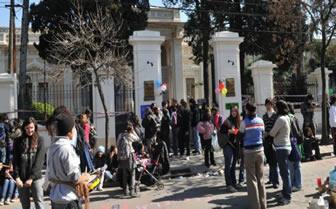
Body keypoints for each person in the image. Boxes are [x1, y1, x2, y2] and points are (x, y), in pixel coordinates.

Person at [47, 113, 90, 209]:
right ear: (69, 132)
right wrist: (85, 177)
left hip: (55, 197)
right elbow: (74, 175)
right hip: (68, 198)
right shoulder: (67, 148)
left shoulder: (51, 148)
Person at [13, 117, 46, 209]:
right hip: (21, 179)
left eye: (31, 127)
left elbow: (39, 162)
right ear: (24, 128)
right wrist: (17, 177)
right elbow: (15, 160)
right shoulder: (18, 141)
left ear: (35, 127)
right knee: (25, 205)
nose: (29, 130)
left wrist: (31, 178)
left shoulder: (40, 140)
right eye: (27, 128)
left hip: (36, 178)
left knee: (39, 204)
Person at [239, 102, 266, 209]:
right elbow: (262, 134)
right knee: (261, 178)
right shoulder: (260, 121)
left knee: (251, 179)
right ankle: (263, 204)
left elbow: (240, 136)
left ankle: (255, 206)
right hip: (260, 151)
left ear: (247, 110)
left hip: (249, 152)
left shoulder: (244, 122)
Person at [269, 100, 292, 205]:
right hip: (286, 146)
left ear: (278, 108)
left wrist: (268, 134)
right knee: (285, 172)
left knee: (284, 173)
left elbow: (272, 133)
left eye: (275, 107)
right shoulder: (287, 117)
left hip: (281, 148)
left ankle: (287, 196)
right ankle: (284, 192)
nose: (274, 109)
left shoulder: (280, 119)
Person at [220, 107, 240, 193]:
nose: (234, 113)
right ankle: (229, 184)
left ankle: (234, 183)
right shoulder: (227, 121)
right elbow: (222, 130)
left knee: (233, 166)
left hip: (236, 145)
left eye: (235, 111)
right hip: (228, 145)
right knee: (228, 164)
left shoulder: (239, 121)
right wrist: (229, 131)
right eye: (232, 111)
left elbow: (240, 131)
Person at [117, 122, 140, 197]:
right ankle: (132, 191)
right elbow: (137, 138)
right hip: (129, 156)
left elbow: (117, 144)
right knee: (132, 173)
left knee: (125, 174)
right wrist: (133, 130)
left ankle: (125, 190)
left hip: (122, 157)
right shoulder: (129, 135)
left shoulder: (120, 135)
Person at [262, 98, 279, 189]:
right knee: (269, 161)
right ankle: (271, 178)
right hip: (266, 140)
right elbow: (263, 127)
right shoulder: (264, 116)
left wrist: (270, 133)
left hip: (274, 140)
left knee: (274, 161)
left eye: (269, 104)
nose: (268, 106)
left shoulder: (276, 115)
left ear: (272, 105)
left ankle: (275, 181)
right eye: (267, 104)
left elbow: (276, 128)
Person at [288, 104, 303, 192]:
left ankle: (294, 184)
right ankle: (298, 184)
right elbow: (298, 132)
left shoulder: (288, 117)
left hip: (291, 142)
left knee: (291, 165)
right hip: (296, 142)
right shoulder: (294, 117)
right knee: (296, 165)